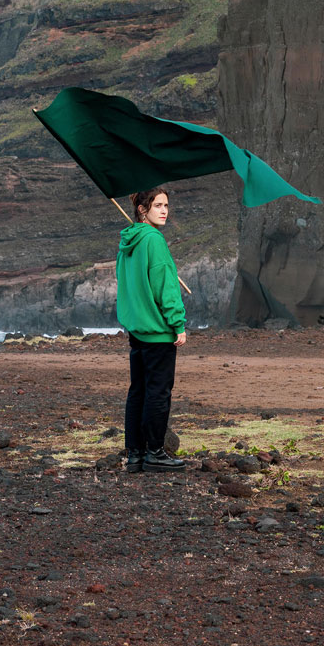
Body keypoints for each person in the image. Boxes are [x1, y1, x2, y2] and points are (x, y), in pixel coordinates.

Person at [116, 187, 187, 473]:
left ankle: (135, 453)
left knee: (138, 391)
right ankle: (155, 452)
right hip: (157, 331)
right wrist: (177, 324)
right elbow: (166, 289)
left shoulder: (127, 242)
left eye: (166, 205)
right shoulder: (154, 240)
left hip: (136, 330)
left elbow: (127, 284)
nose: (164, 210)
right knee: (158, 392)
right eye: (157, 205)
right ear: (142, 210)